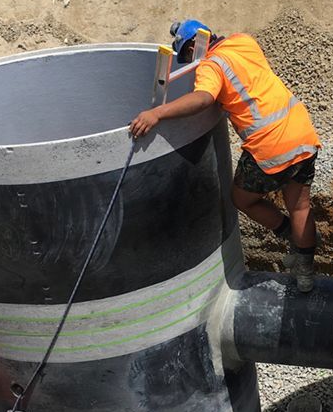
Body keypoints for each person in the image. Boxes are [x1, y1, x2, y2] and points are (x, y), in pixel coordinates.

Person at [129, 19, 322, 292]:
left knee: (242, 198)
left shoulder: (211, 65)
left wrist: (157, 113)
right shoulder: (243, 40)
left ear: (196, 44)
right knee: (300, 205)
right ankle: (305, 270)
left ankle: (289, 233)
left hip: (269, 145)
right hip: (302, 131)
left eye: (186, 53)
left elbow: (204, 98)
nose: (189, 60)